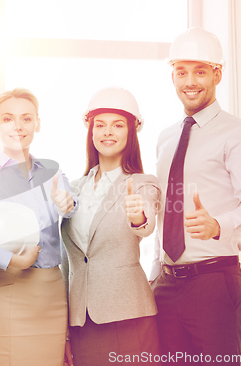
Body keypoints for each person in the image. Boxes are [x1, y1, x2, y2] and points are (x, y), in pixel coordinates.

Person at [149, 27, 241, 365]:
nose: (190, 81)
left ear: (217, 74)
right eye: (181, 72)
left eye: (200, 71)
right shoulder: (166, 137)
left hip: (213, 282)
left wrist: (217, 225)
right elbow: (165, 212)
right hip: (167, 284)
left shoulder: (237, 133)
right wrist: (157, 271)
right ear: (172, 75)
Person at [0, 88, 78, 366]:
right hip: (8, 292)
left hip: (52, 295)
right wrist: (10, 259)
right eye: (8, 118)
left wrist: (66, 204)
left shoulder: (53, 173)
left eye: (26, 118)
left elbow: (71, 206)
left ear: (37, 124)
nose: (18, 126)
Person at [60, 87, 161, 365]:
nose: (107, 132)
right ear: (90, 132)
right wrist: (64, 331)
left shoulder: (142, 183)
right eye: (100, 125)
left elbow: (146, 223)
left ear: (131, 133)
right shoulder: (73, 189)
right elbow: (66, 262)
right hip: (82, 321)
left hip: (128, 316)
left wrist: (138, 215)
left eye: (117, 125)